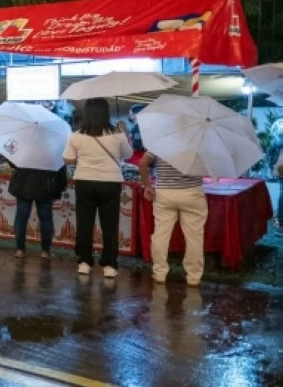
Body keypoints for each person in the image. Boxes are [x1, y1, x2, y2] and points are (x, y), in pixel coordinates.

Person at [63, 98, 133, 277]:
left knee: (84, 223)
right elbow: (128, 155)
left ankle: (84, 262)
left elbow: (68, 159)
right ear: (106, 113)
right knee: (110, 224)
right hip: (111, 182)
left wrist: (85, 159)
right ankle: (109, 265)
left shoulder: (77, 135)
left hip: (84, 182)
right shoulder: (117, 134)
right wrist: (124, 134)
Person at [140, 152, 207, 286]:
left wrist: (148, 186)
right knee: (195, 237)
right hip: (192, 193)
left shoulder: (159, 142)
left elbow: (142, 164)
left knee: (161, 235)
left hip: (165, 193)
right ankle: (194, 277)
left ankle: (159, 273)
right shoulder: (198, 143)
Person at [9, 165, 67, 259]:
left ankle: (20, 250)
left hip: (23, 183)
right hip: (45, 185)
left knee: (21, 217)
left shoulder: (25, 150)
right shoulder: (51, 150)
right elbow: (61, 168)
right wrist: (59, 187)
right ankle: (45, 251)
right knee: (46, 219)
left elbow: (13, 162)